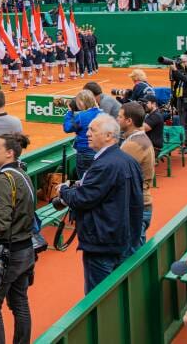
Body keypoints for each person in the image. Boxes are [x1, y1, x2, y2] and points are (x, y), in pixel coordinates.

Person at [55, 114, 144, 294]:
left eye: (92, 130)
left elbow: (83, 199)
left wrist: (63, 191)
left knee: (99, 298)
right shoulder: (128, 161)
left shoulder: (105, 164)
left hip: (103, 244)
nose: (87, 133)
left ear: (109, 136)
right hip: (123, 238)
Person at [0, 133, 37, 344]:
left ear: (9, 153)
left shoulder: (3, 180)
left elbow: (0, 222)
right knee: (19, 302)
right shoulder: (23, 175)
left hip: (7, 254)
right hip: (25, 250)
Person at [118, 102, 154, 255]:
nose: (116, 119)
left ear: (129, 121)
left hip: (136, 206)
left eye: (119, 116)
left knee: (132, 256)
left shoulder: (133, 144)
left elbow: (116, 173)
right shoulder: (137, 139)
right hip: (139, 204)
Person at [62, 90, 102, 179]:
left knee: (84, 180)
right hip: (100, 152)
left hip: (85, 153)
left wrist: (69, 112)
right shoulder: (102, 113)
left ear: (81, 103)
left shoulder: (81, 116)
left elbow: (67, 128)